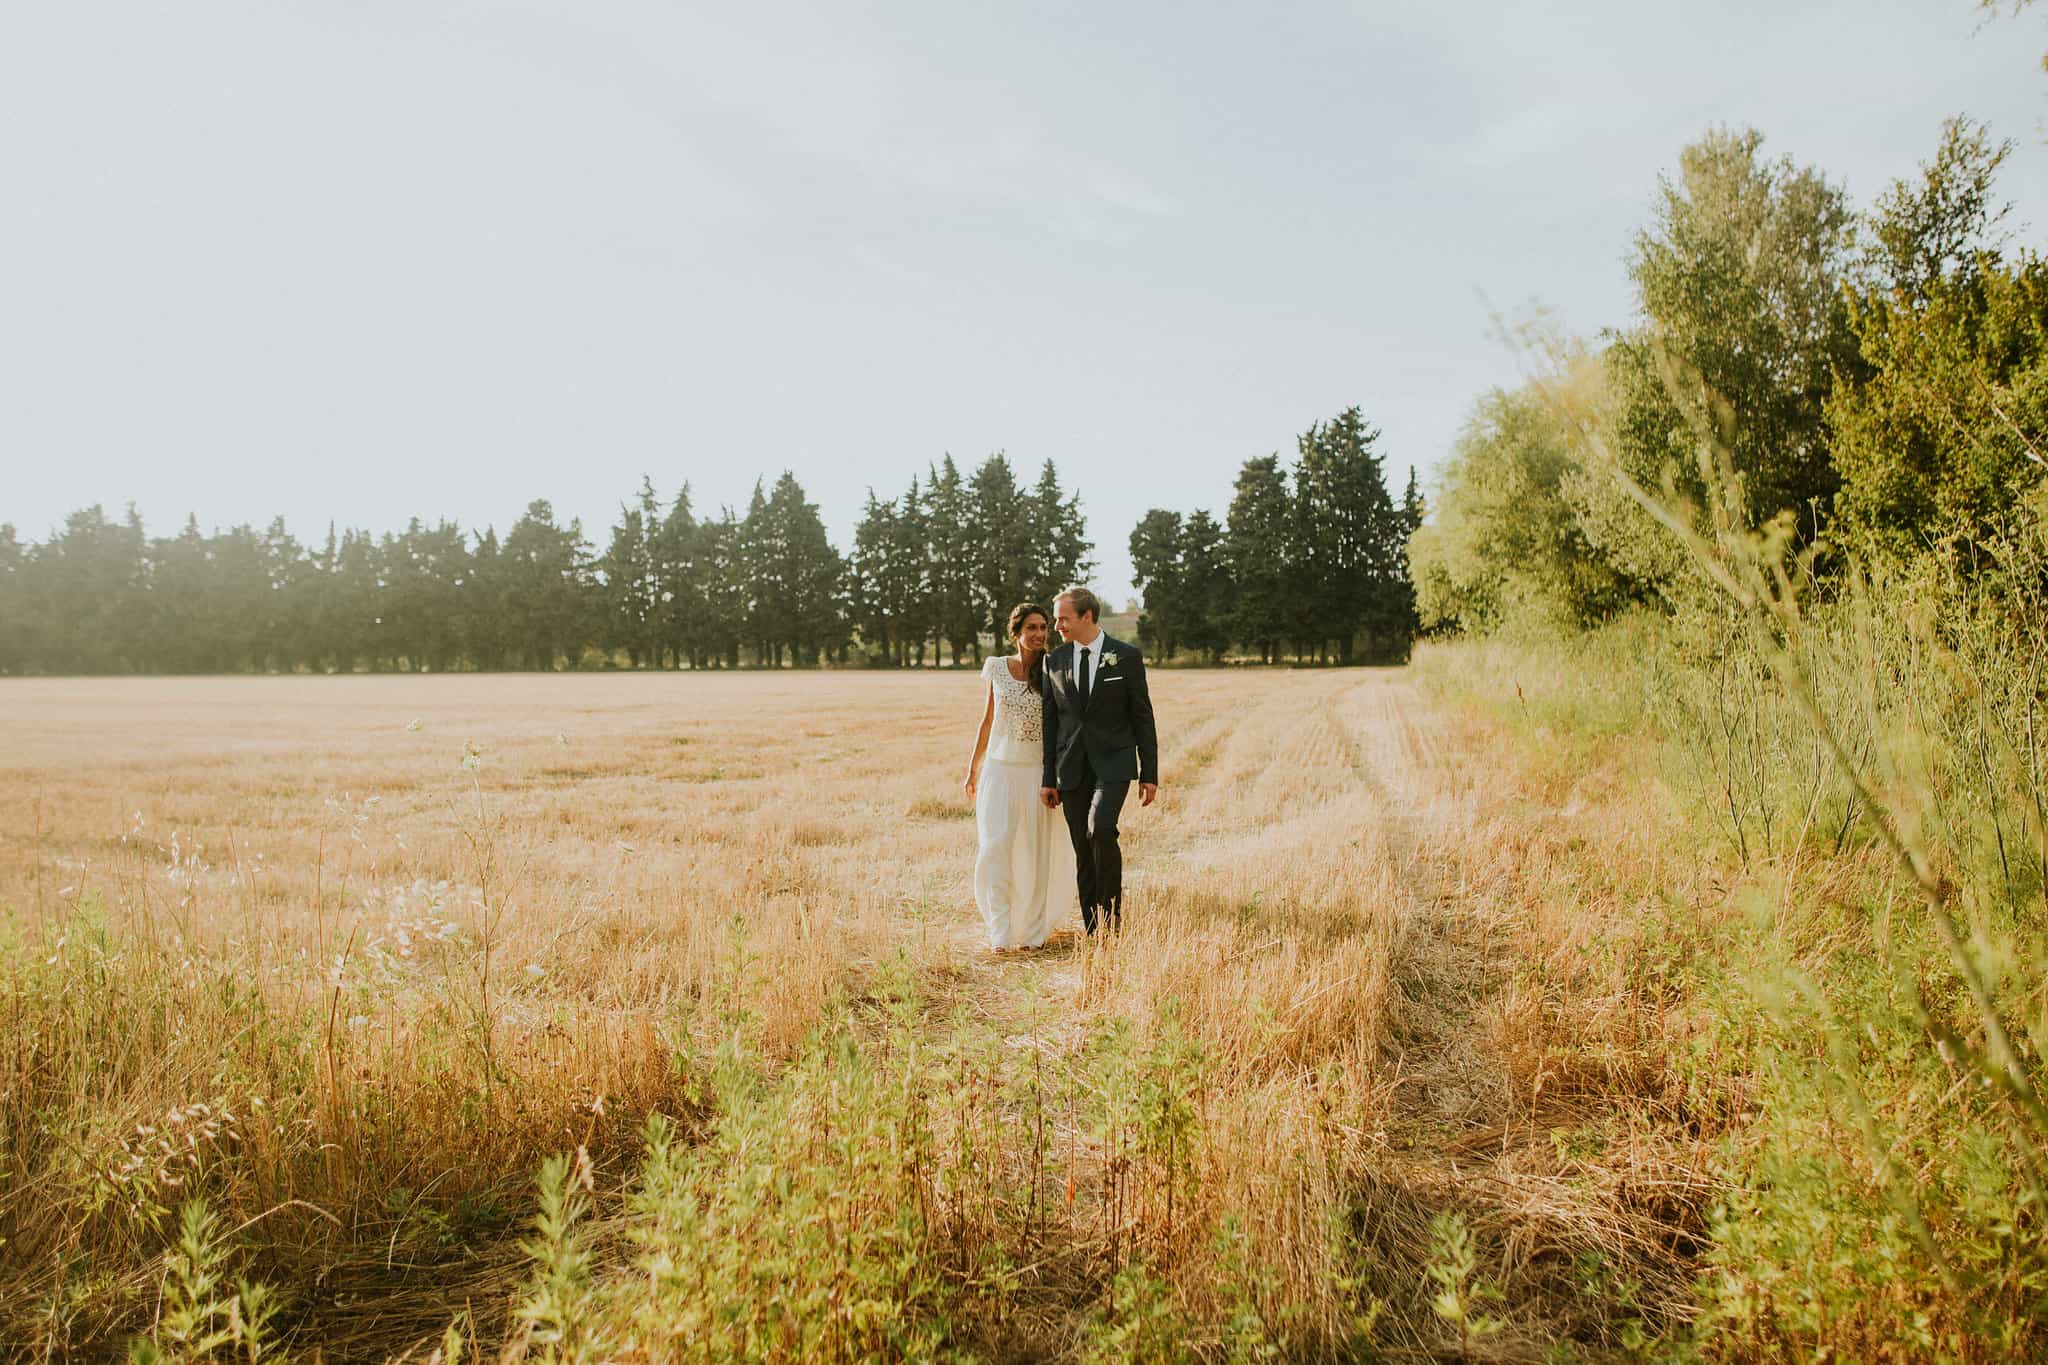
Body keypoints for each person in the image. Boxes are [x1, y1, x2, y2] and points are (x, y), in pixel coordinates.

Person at [1039, 587, 1158, 935]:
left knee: (1101, 829)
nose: (1056, 625)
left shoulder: (1126, 657)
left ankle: (1112, 915)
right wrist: (1049, 777)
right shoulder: (1054, 661)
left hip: (1114, 763)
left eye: (1063, 618)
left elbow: (1143, 717)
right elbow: (1051, 723)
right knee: (1082, 845)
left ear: (1087, 616)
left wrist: (1149, 772)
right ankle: (1094, 927)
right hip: (1071, 768)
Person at [963, 602, 1077, 950]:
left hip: (1037, 774)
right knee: (995, 847)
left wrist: (1056, 778)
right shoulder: (996, 668)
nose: (1040, 634)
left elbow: (1063, 728)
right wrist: (973, 769)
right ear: (1016, 633)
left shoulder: (1054, 670)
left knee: (1037, 853)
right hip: (999, 771)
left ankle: (1031, 933)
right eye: (1032, 627)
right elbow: (987, 720)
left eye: (1044, 627)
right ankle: (1000, 930)